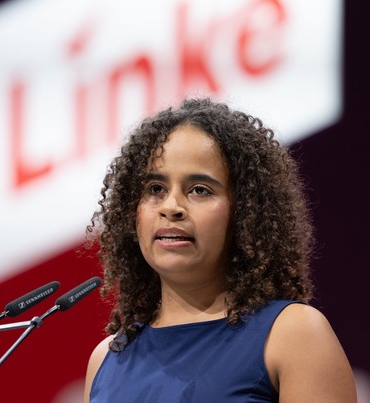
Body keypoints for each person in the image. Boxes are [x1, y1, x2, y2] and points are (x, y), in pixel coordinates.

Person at [83, 98, 357, 402]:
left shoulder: (294, 335)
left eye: (200, 190)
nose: (171, 207)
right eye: (155, 189)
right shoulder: (106, 359)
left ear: (244, 211)